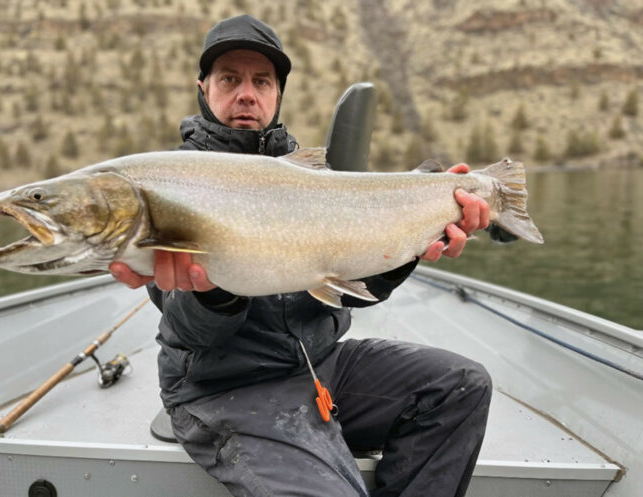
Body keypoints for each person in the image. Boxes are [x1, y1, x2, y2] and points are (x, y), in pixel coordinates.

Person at [110, 15, 492, 497]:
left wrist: (411, 244)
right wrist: (210, 293)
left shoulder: (316, 177)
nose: (246, 93)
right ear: (204, 89)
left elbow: (349, 295)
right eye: (230, 78)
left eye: (261, 81)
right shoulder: (169, 184)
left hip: (318, 367)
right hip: (224, 390)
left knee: (461, 385)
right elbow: (190, 331)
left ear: (276, 95)